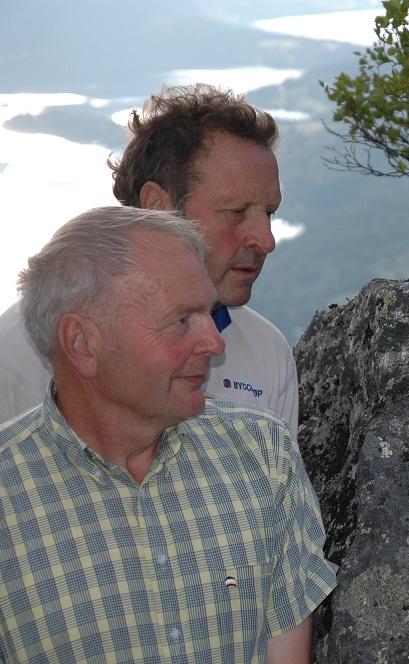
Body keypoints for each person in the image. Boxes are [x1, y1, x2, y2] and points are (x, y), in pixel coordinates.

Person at [0, 207, 337, 663]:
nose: (215, 344)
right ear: (83, 344)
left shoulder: (263, 455)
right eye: (182, 320)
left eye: (207, 312)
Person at [0, 84, 298, 432]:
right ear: (158, 206)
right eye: (235, 211)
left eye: (270, 214)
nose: (266, 240)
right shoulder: (26, 350)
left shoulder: (266, 352)